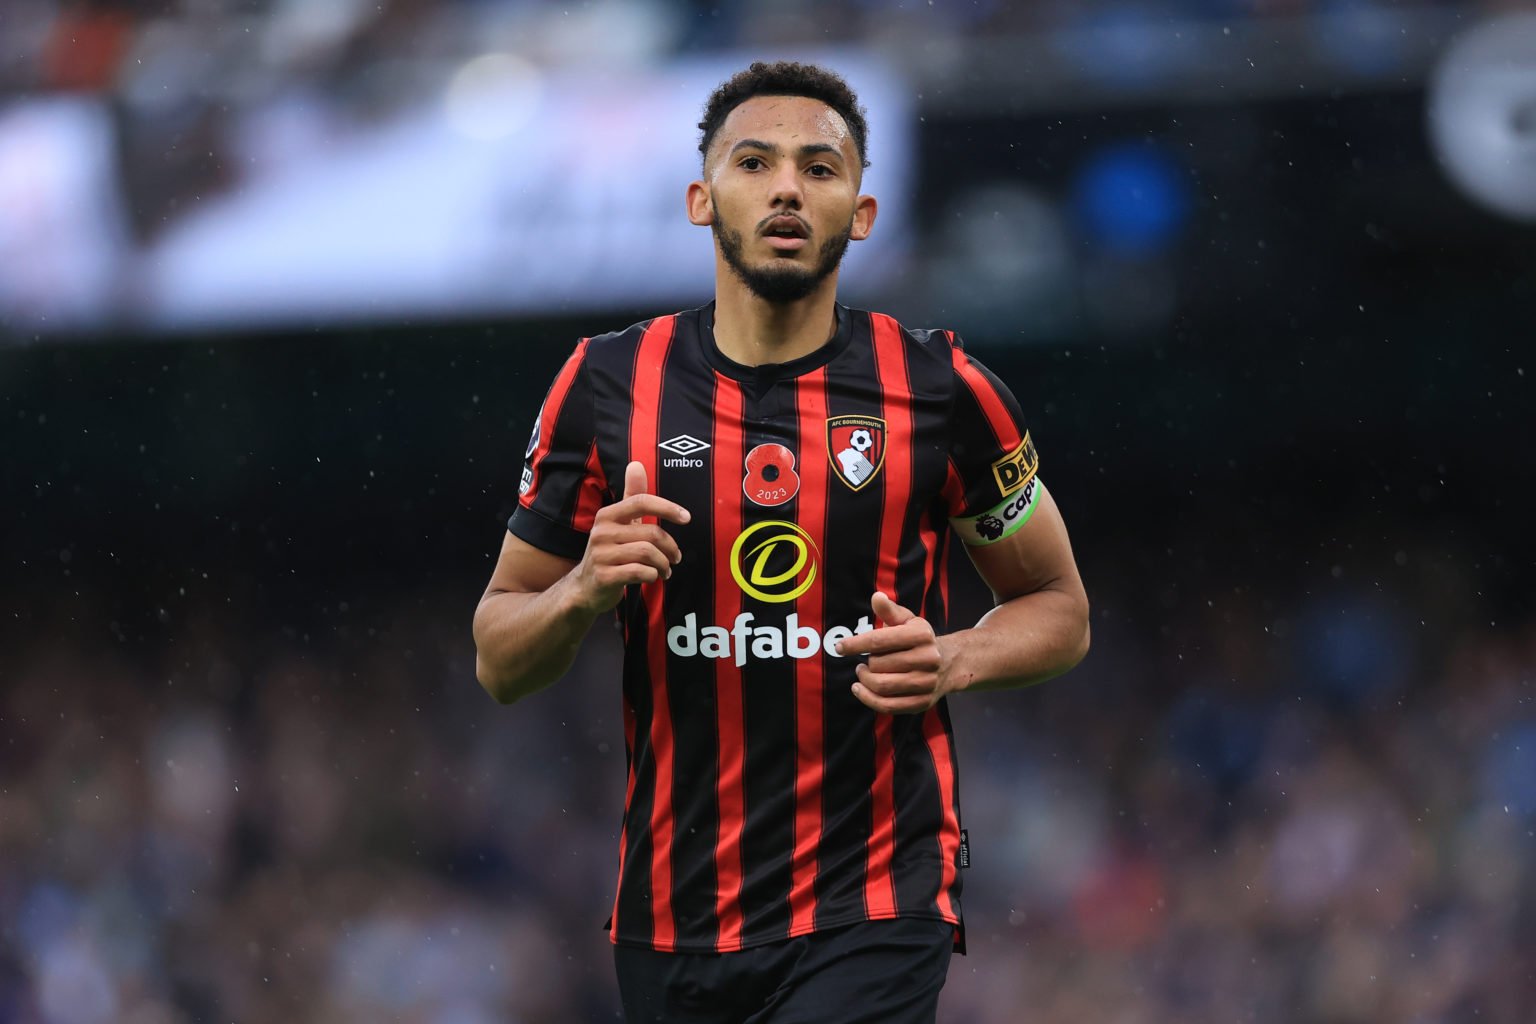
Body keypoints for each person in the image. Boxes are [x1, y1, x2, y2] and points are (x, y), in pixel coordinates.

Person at [472, 61, 1090, 1024]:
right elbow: (500, 659)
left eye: (820, 167)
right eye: (754, 163)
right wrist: (583, 588)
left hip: (875, 896)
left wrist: (954, 656)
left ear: (863, 210)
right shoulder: (604, 386)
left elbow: (1061, 609)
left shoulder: (941, 389)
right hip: (673, 917)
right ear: (699, 198)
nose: (788, 187)